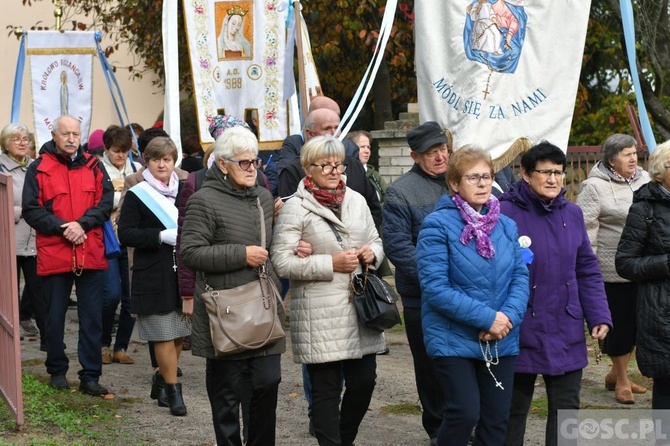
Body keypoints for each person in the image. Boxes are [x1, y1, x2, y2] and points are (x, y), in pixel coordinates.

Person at [272, 135, 385, 446]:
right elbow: (281, 262)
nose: (336, 171)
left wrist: (371, 254)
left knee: (364, 382)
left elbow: (376, 239)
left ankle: (343, 439)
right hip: (319, 312)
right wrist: (330, 263)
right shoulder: (296, 208)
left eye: (339, 164)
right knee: (326, 391)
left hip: (360, 310)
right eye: (327, 165)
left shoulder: (357, 200)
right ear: (309, 169)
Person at [499, 141, 612, 446]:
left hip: (566, 327)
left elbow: (586, 269)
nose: (553, 179)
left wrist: (598, 314)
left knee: (566, 416)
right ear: (525, 173)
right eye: (545, 172)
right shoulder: (503, 213)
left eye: (558, 173)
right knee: (511, 412)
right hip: (518, 329)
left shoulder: (572, 214)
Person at [416, 145, 529, 446]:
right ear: (454, 183)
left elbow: (520, 276)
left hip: (501, 337)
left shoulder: (506, 225)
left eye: (487, 176)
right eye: (473, 177)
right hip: (454, 338)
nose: (482, 184)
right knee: (465, 412)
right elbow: (435, 288)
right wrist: (487, 318)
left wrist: (507, 319)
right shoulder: (436, 225)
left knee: (496, 419)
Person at [180, 126, 284, 444]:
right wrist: (241, 255)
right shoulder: (203, 201)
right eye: (244, 162)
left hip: (262, 305)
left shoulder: (263, 198)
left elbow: (269, 246)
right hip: (224, 312)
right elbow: (190, 252)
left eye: (255, 161)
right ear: (223, 164)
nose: (252, 168)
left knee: (267, 384)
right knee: (227, 399)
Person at [22, 115, 113, 396]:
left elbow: (105, 202)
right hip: (55, 251)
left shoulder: (95, 166)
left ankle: (90, 375)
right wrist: (65, 228)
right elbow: (31, 210)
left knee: (91, 318)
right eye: (66, 133)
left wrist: (81, 225)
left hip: (90, 249)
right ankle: (57, 370)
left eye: (75, 133)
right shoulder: (38, 168)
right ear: (54, 135)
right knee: (53, 316)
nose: (71, 138)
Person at [382, 121, 449, 444]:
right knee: (430, 365)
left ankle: (465, 421)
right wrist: (437, 281)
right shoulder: (401, 192)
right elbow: (399, 248)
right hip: (422, 298)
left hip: (465, 295)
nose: (439, 157)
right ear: (414, 155)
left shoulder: (459, 181)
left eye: (442, 150)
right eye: (431, 153)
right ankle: (437, 428)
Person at [117, 136, 190, 416]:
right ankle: (173, 392)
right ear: (147, 161)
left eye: (167, 159)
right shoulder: (138, 194)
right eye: (157, 159)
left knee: (179, 335)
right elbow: (125, 233)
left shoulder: (184, 190)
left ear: (174, 161)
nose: (162, 164)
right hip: (151, 272)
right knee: (163, 332)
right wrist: (159, 236)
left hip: (182, 270)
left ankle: (160, 378)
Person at [576, 134, 650, 404]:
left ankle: (615, 374)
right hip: (611, 269)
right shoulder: (593, 187)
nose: (633, 158)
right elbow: (585, 230)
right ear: (611, 159)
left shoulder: (645, 179)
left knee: (637, 323)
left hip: (643, 266)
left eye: (634, 153)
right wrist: (590, 268)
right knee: (618, 324)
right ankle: (621, 380)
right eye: (626, 154)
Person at [616, 140, 670, 415]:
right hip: (662, 314)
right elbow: (624, 263)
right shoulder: (644, 208)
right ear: (662, 170)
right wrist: (666, 263)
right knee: (666, 388)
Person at [278, 108, 381, 226]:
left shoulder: (355, 166)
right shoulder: (293, 170)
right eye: (327, 128)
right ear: (310, 133)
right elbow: (288, 221)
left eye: (337, 128)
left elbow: (374, 211)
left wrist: (365, 239)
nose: (334, 133)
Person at [99, 125, 142, 365]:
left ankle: (120, 346)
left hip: (130, 238)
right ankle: (103, 343)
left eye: (125, 151)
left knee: (131, 297)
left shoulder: (135, 168)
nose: (121, 156)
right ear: (107, 148)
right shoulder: (97, 168)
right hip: (106, 238)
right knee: (110, 295)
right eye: (116, 150)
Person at [0, 123, 44, 342]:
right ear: (5, 143)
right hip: (9, 238)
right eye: (15, 139)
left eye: (25, 138)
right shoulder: (1, 167)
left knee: (39, 290)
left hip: (35, 239)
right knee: (8, 292)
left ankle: (48, 340)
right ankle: (9, 340)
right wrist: (22, 211)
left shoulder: (36, 166)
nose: (21, 142)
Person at [348, 130, 387, 204]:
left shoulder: (374, 174)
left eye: (368, 147)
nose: (367, 151)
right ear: (351, 148)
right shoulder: (346, 174)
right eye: (362, 147)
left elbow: (388, 198)